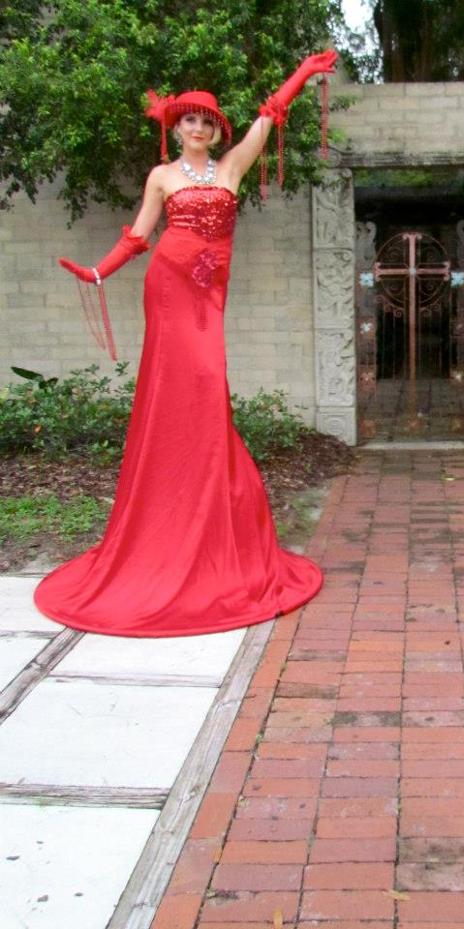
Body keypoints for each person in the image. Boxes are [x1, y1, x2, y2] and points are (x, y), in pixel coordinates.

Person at [34, 51, 337, 637]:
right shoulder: (163, 177)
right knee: (184, 389)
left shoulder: (230, 170)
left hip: (208, 300)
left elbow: (271, 115)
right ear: (174, 129)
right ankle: (174, 512)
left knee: (206, 388)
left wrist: (300, 74)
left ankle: (204, 511)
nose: (198, 129)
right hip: (169, 290)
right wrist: (99, 272)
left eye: (207, 122)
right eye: (189, 121)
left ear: (216, 131)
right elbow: (140, 235)